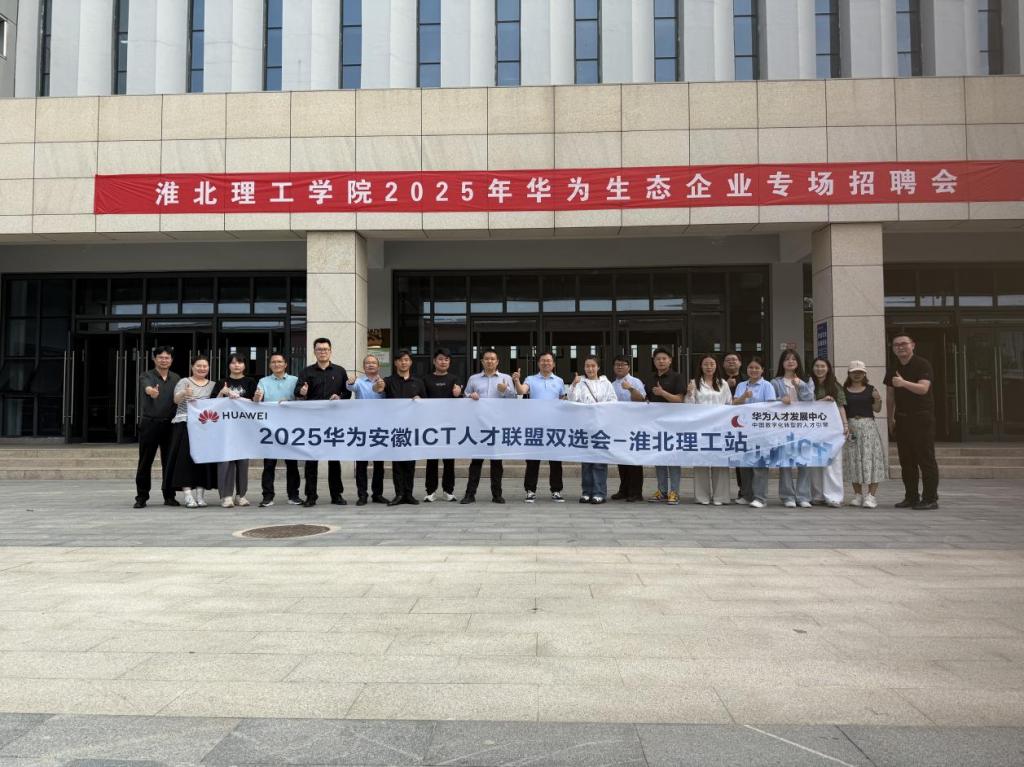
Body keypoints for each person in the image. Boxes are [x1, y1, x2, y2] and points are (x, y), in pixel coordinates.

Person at [294, 337, 351, 507]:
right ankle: (311, 496)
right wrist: (303, 392)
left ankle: (336, 495)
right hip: (313, 421)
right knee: (311, 460)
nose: (323, 352)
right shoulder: (306, 372)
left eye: (325, 349)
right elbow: (297, 391)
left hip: (334, 421)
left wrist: (340, 397)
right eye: (319, 349)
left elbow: (347, 393)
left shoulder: (340, 371)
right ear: (314, 352)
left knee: (334, 460)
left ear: (330, 351)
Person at [885, 334, 939, 510]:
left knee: (926, 459)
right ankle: (911, 496)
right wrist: (890, 418)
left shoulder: (922, 364)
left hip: (921, 418)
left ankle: (930, 498)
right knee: (906, 461)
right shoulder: (893, 367)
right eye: (896, 345)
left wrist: (903, 383)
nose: (900, 347)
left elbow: (923, 388)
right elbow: (890, 395)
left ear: (913, 345)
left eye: (904, 344)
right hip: (902, 418)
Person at [460, 349, 516, 504]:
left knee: (496, 462)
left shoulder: (505, 378)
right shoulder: (474, 379)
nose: (490, 361)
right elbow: (465, 396)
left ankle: (497, 494)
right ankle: (470, 494)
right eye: (487, 359)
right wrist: (470, 396)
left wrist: (506, 390)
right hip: (478, 425)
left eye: (492, 359)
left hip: (497, 425)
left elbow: (514, 399)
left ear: (497, 362)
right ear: (482, 361)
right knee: (476, 461)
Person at [164, 356, 217, 508]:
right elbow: (176, 400)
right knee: (184, 460)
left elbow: (216, 404)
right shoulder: (184, 382)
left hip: (204, 427)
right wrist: (184, 393)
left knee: (202, 460)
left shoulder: (213, 385)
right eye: (198, 365)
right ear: (192, 367)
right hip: (185, 424)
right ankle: (188, 495)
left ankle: (200, 495)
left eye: (205, 366)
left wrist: (222, 394)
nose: (202, 368)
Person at [513, 352, 566, 504]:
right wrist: (516, 381)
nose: (546, 363)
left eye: (549, 361)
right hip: (535, 426)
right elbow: (521, 391)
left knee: (555, 461)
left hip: (554, 427)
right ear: (538, 363)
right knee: (532, 460)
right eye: (543, 361)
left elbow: (562, 399)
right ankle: (530, 491)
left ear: (553, 364)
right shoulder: (530, 379)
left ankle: (556, 490)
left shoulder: (559, 381)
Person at [377, 349, 427, 506]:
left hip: (412, 427)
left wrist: (420, 399)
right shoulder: (388, 380)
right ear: (395, 363)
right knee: (397, 463)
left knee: (410, 462)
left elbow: (426, 402)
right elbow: (378, 389)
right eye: (400, 360)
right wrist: (378, 386)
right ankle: (399, 494)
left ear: (410, 362)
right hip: (395, 428)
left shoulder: (418, 382)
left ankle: (409, 494)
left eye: (406, 359)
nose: (403, 362)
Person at [134, 346, 180, 508]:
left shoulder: (176, 378)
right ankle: (141, 497)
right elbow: (146, 387)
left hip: (170, 424)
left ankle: (169, 496)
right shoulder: (146, 375)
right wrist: (151, 391)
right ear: (154, 359)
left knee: (169, 461)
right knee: (145, 461)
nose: (164, 360)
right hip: (150, 423)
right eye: (160, 357)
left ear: (171, 360)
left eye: (167, 358)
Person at [253, 352, 302, 508]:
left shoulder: (295, 380)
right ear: (270, 365)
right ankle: (267, 496)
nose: (276, 364)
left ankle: (293, 495)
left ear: (285, 364)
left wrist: (290, 400)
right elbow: (257, 401)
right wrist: (257, 397)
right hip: (270, 427)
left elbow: (301, 399)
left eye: (280, 361)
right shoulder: (263, 381)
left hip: (290, 427)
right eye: (273, 362)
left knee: (292, 464)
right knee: (269, 464)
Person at [567, 355, 618, 503]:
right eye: (587, 366)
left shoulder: (606, 383)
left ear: (598, 367)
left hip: (601, 427)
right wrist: (574, 384)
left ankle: (599, 492)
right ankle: (586, 492)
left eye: (593, 366)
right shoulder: (580, 382)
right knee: (586, 462)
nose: (590, 369)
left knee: (599, 461)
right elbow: (572, 400)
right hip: (584, 427)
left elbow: (613, 401)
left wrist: (600, 408)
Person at [684, 354, 733, 506]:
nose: (709, 367)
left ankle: (721, 497)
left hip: (720, 427)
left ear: (716, 366)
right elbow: (689, 406)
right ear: (701, 366)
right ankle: (702, 497)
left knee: (720, 462)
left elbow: (729, 404)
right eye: (706, 364)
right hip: (701, 428)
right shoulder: (694, 383)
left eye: (712, 364)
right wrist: (690, 393)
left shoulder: (723, 383)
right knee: (701, 461)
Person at [770, 350, 815, 508]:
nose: (790, 362)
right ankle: (787, 496)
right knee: (785, 461)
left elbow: (810, 399)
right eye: (787, 359)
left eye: (794, 359)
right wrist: (780, 399)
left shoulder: (806, 380)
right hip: (783, 427)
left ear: (798, 362)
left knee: (805, 461)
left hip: (803, 425)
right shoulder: (775, 382)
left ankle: (803, 496)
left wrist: (800, 385)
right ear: (782, 363)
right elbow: (769, 402)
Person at [212, 353, 258, 508]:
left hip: (244, 428)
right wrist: (222, 393)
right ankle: (225, 496)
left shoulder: (250, 382)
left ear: (244, 365)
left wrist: (242, 399)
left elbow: (255, 404)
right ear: (228, 365)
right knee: (225, 461)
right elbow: (212, 405)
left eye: (239, 362)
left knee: (243, 462)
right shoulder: (221, 382)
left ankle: (241, 495)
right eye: (233, 362)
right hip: (225, 428)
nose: (236, 365)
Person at [733, 357, 776, 508]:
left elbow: (770, 407)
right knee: (744, 463)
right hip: (743, 429)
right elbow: (734, 404)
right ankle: (746, 495)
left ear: (762, 370)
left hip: (760, 430)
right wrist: (744, 397)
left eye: (757, 368)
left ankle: (760, 497)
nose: (754, 370)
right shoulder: (741, 385)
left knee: (759, 464)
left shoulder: (767, 385)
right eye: (751, 367)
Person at [645, 346, 686, 505]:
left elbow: (680, 400)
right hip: (656, 424)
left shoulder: (677, 377)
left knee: (673, 458)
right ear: (654, 361)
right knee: (659, 458)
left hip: (674, 424)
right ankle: (661, 491)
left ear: (670, 360)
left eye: (664, 358)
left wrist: (663, 393)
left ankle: (674, 492)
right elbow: (647, 399)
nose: (661, 361)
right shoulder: (650, 378)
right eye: (658, 359)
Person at [843, 361, 886, 509]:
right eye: (854, 372)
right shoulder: (844, 390)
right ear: (849, 373)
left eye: (860, 372)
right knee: (853, 460)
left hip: (868, 427)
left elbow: (877, 409)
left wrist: (878, 399)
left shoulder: (871, 389)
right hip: (852, 427)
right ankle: (858, 495)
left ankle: (871, 496)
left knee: (871, 459)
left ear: (864, 373)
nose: (857, 374)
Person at [347, 354, 387, 507]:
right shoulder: (359, 382)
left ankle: (378, 494)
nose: (370, 365)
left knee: (379, 464)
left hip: (379, 427)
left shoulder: (384, 382)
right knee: (361, 463)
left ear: (378, 366)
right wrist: (350, 382)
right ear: (364, 367)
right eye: (367, 363)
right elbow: (350, 386)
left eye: (373, 363)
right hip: (362, 427)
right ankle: (362, 495)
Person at [423, 348, 462, 503]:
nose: (443, 362)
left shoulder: (454, 378)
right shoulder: (426, 379)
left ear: (449, 362)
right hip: (430, 425)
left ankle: (448, 491)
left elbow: (459, 399)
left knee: (449, 460)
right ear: (434, 361)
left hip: (449, 425)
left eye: (446, 359)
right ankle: (430, 491)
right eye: (440, 359)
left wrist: (459, 393)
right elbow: (422, 398)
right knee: (431, 460)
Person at [809, 357, 848, 508]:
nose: (819, 369)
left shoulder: (835, 385)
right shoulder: (808, 385)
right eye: (817, 366)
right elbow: (803, 406)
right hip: (813, 429)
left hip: (832, 429)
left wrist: (845, 424)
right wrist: (822, 401)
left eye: (822, 366)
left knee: (833, 462)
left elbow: (841, 406)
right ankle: (817, 495)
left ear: (828, 368)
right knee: (815, 461)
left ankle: (834, 497)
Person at [610, 355, 646, 502]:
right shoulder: (611, 385)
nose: (619, 367)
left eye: (622, 364)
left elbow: (642, 400)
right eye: (617, 364)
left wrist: (630, 388)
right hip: (618, 426)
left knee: (634, 460)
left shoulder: (636, 382)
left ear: (629, 367)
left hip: (634, 426)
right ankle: (623, 490)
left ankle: (636, 492)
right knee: (621, 459)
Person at [722, 352, 745, 499]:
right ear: (723, 364)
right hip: (721, 424)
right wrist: (725, 385)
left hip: (741, 424)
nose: (731, 362)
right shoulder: (717, 379)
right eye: (728, 360)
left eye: (734, 360)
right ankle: (720, 492)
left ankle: (743, 490)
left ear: (740, 363)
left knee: (740, 458)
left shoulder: (747, 379)